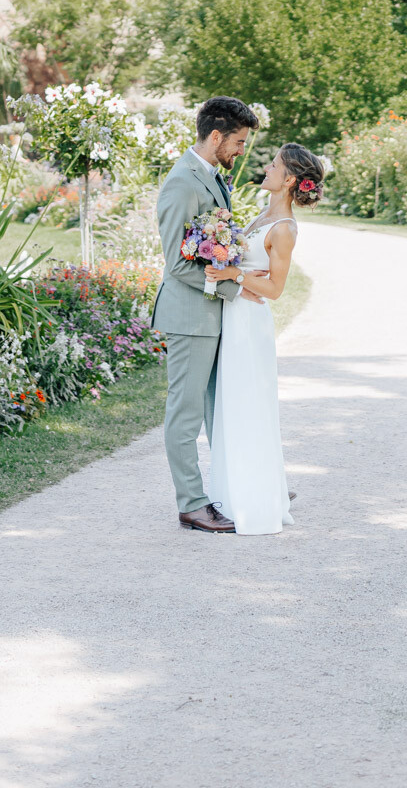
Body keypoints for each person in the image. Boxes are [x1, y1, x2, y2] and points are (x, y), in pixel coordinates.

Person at [203, 142, 323, 535]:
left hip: (250, 326)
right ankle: (232, 493)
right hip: (235, 313)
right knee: (231, 406)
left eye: (274, 165)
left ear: (289, 180)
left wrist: (233, 277)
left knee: (248, 406)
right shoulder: (263, 215)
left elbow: (274, 290)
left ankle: (254, 501)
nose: (266, 168)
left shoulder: (284, 228)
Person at [153, 96, 259, 533]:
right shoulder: (181, 182)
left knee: (222, 408)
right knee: (186, 413)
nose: (240, 150)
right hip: (189, 317)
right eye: (237, 141)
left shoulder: (212, 175)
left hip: (211, 315)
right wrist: (235, 287)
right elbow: (178, 263)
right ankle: (192, 503)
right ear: (215, 136)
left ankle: (242, 485)